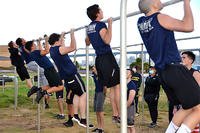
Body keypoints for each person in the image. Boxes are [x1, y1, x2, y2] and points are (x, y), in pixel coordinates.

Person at [137, 0, 200, 133]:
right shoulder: (159, 17)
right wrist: (186, 4)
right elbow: (189, 26)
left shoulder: (141, 22)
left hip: (163, 73)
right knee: (199, 108)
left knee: (187, 107)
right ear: (153, 3)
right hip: (174, 69)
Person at [85, 4, 120, 123]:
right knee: (116, 86)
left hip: (99, 59)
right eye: (101, 10)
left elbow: (87, 42)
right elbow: (107, 40)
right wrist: (110, 24)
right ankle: (119, 114)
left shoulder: (89, 27)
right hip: (107, 57)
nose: (102, 11)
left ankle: (116, 115)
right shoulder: (100, 24)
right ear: (97, 13)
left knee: (111, 87)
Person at [49, 31, 87, 128]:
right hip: (72, 75)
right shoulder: (59, 49)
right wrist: (72, 34)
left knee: (70, 98)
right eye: (61, 40)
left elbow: (62, 45)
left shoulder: (52, 50)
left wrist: (61, 36)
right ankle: (82, 119)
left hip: (66, 77)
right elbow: (73, 47)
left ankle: (73, 117)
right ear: (57, 41)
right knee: (83, 94)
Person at [25, 36, 64, 103]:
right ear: (32, 47)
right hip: (50, 70)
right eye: (34, 44)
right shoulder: (35, 52)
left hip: (47, 71)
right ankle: (42, 93)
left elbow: (40, 49)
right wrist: (46, 40)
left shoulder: (33, 53)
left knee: (51, 86)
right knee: (60, 87)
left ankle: (36, 89)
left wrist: (39, 41)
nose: (36, 45)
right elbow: (47, 50)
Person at [90, 66, 105, 133]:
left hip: (101, 93)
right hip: (96, 92)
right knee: (97, 110)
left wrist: (103, 94)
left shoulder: (101, 75)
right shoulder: (94, 75)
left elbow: (105, 86)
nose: (92, 69)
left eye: (93, 68)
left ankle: (102, 128)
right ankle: (99, 127)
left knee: (100, 110)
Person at [126, 69, 137, 133]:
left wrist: (124, 108)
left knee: (130, 126)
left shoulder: (132, 85)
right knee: (126, 126)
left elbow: (130, 100)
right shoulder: (123, 84)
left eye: (127, 72)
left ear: (130, 75)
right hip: (124, 106)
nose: (124, 73)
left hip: (130, 107)